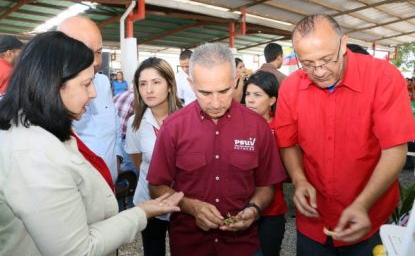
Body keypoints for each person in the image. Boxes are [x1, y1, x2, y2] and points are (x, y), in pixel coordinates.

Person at [0, 31, 183, 256]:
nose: (94, 93)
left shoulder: (45, 128)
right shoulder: (31, 153)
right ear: (53, 85)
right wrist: (141, 213)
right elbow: (77, 250)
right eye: (86, 84)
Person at [274, 14, 415, 255]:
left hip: (370, 219)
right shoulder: (291, 87)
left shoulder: (383, 77)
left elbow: (395, 149)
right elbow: (288, 143)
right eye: (307, 63)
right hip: (313, 222)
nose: (318, 71)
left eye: (327, 60)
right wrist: (298, 180)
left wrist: (363, 203)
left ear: (344, 43)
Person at [147, 43, 287, 256]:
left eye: (224, 91)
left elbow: (266, 184)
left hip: (243, 246)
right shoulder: (174, 126)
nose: (215, 103)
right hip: (190, 245)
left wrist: (254, 209)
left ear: (235, 81)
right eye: (205, 93)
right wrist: (192, 207)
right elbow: (156, 186)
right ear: (191, 84)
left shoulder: (257, 126)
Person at [124, 57, 182, 256]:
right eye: (143, 83)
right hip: (148, 199)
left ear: (169, 85)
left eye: (156, 82)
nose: (148, 90)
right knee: (153, 249)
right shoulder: (136, 123)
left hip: (183, 200)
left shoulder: (187, 119)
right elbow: (138, 160)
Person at [58, 16, 122, 182]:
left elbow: (114, 122)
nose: (95, 61)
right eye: (85, 52)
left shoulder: (103, 82)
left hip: (109, 182)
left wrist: (118, 156)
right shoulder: (54, 92)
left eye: (99, 52)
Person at [244, 71, 287, 256]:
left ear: (272, 100)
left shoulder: (281, 128)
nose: (250, 100)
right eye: (247, 94)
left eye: (257, 95)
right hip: (241, 208)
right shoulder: (237, 127)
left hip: (272, 210)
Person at [113, 88, 137, 173]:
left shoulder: (119, 94)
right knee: (129, 167)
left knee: (118, 166)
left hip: (113, 136)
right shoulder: (137, 99)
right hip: (124, 137)